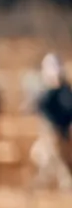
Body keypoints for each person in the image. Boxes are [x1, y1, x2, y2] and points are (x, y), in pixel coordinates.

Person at [31, 54, 72, 191]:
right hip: (54, 131)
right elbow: (43, 109)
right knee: (51, 157)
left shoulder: (63, 91)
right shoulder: (49, 94)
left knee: (59, 158)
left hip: (61, 131)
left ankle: (61, 183)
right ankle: (45, 184)